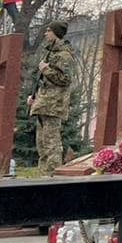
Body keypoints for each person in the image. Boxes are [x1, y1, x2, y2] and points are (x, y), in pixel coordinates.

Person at [28, 21, 76, 175]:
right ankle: (43, 176)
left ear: (56, 33)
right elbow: (43, 82)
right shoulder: (50, 53)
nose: (45, 33)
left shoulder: (64, 55)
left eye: (48, 30)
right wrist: (35, 97)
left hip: (53, 106)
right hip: (44, 104)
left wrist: (46, 69)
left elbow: (65, 79)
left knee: (52, 145)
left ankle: (53, 178)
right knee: (42, 146)